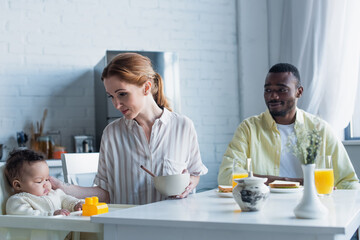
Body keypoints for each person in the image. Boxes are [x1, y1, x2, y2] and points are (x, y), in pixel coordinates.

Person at [51, 52, 208, 205]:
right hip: (126, 226)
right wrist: (63, 188)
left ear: (146, 87)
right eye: (111, 96)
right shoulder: (112, 134)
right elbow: (104, 194)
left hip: (174, 224)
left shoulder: (183, 126)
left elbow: (195, 174)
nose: (116, 104)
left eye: (122, 94)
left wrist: (188, 184)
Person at [218, 63, 360, 189]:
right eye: (268, 90)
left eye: (282, 90)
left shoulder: (320, 129)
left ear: (299, 92)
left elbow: (348, 182)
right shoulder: (249, 128)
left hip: (312, 209)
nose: (273, 96)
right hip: (263, 211)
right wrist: (290, 182)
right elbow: (227, 175)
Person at [4, 149, 83, 216]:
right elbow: (29, 216)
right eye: (39, 181)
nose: (46, 184)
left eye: (47, 179)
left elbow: (65, 199)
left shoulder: (54, 193)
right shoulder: (17, 201)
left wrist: (76, 204)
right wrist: (51, 214)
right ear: (18, 185)